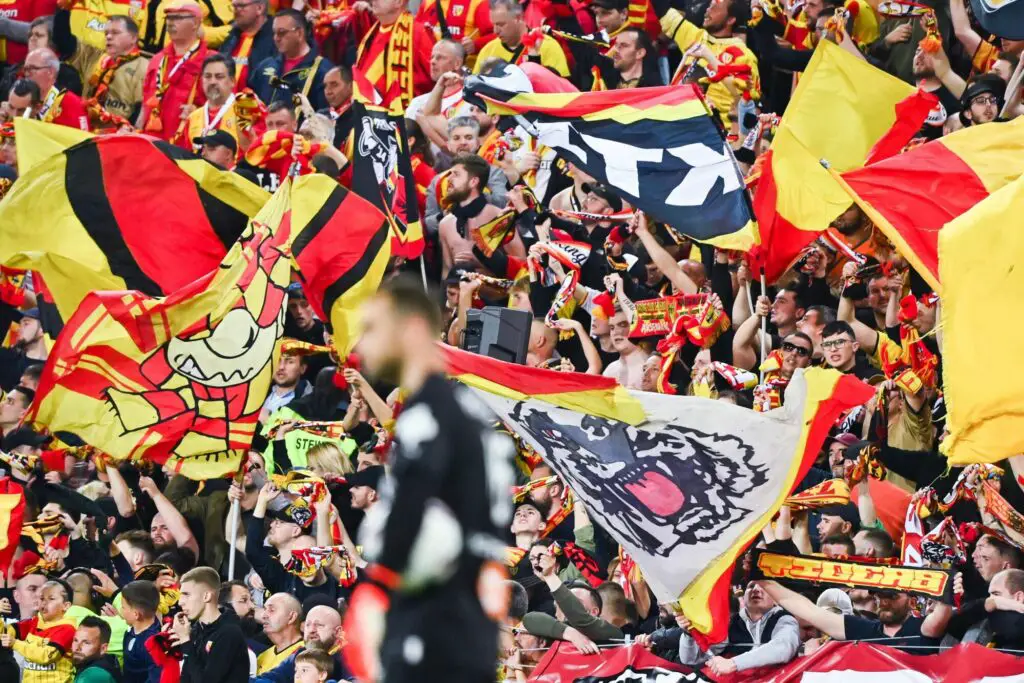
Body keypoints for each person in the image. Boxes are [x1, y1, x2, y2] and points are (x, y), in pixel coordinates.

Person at [345, 276, 513, 682]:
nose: (361, 345)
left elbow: (414, 518)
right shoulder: (463, 412)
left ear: (414, 327)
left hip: (433, 630)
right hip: (466, 627)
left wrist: (375, 589)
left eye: (372, 328)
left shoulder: (428, 416)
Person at [760, 580, 948, 652]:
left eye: (891, 596)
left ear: (912, 602)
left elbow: (943, 611)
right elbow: (809, 611)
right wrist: (762, 580)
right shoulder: (862, 629)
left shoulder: (922, 628)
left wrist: (949, 586)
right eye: (878, 595)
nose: (883, 601)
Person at [657, 0, 759, 129]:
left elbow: (748, 105)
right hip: (677, 123)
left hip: (718, 132)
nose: (708, 10)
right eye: (710, 5)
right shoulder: (696, 36)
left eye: (716, 7)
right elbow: (664, 11)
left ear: (730, 20)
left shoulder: (744, 56)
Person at [54, 12, 148, 130]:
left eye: (115, 33)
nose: (108, 37)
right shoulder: (96, 57)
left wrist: (128, 132)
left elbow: (143, 110)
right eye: (106, 33)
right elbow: (64, 42)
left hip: (118, 133)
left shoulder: (144, 66)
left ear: (133, 38)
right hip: (86, 128)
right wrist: (63, 11)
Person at [439, 153, 525, 279]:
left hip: (496, 290)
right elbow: (446, 271)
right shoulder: (445, 224)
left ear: (473, 181)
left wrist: (481, 262)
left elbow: (522, 265)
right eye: (450, 173)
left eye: (456, 174)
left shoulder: (499, 217)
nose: (449, 179)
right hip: (459, 289)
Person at [139, 0, 209, 144]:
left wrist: (199, 112)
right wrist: (137, 129)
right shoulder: (157, 59)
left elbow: (223, 108)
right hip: (151, 142)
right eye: (169, 18)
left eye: (178, 18)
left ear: (196, 23)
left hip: (186, 145)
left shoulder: (210, 61)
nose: (170, 23)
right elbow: (145, 103)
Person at [352, 0, 435, 111]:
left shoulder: (418, 33)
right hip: (366, 113)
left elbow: (436, 79)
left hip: (403, 115)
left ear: (399, 2)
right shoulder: (371, 33)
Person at [171, 567, 249, 683]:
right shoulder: (197, 630)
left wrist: (186, 641)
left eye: (186, 594)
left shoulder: (230, 633)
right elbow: (186, 678)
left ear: (206, 596)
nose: (180, 602)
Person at [249, 9, 332, 112]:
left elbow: (325, 115)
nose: (276, 38)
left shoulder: (322, 70)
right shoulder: (265, 66)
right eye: (274, 33)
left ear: (299, 33)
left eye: (281, 33)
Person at [2, 580, 77, 683]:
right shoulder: (34, 622)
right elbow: (4, 634)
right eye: (42, 598)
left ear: (66, 605)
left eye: (51, 598)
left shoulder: (67, 628)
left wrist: (15, 643)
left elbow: (46, 656)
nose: (44, 603)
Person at [473, 0, 570, 77]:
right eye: (493, 25)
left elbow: (562, 89)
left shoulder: (548, 46)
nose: (495, 31)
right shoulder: (488, 51)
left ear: (518, 18)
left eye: (501, 24)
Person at [19, 47, 89, 130]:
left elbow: (83, 135)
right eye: (26, 69)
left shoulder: (70, 102)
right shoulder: (26, 100)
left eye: (33, 69)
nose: (27, 74)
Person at [182, 53, 241, 152]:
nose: (213, 81)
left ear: (232, 81)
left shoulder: (245, 114)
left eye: (219, 77)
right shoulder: (192, 118)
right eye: (208, 76)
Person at [217, 0, 275, 90]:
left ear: (259, 8)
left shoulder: (276, 39)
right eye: (234, 6)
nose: (236, 11)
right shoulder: (231, 37)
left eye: (241, 6)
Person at [119, 581, 161, 683]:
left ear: (136, 614)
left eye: (123, 607)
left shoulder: (152, 644)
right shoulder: (131, 630)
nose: (121, 610)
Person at [257, 593, 304, 674]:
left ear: (291, 617)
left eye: (272, 610)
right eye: (265, 609)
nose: (263, 616)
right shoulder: (262, 657)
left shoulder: (306, 653)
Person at [71, 617, 120, 683]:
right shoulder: (106, 661)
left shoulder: (93, 676)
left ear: (103, 648)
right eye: (75, 640)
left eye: (86, 643)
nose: (77, 647)